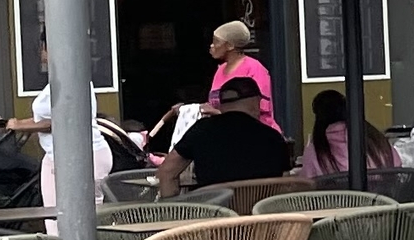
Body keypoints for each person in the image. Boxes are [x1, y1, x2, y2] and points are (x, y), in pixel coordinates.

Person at [3, 46, 113, 211]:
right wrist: (16, 123)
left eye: (43, 48)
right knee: (54, 214)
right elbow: (45, 118)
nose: (40, 53)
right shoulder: (58, 81)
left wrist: (18, 125)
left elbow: (61, 123)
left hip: (84, 154)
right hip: (55, 156)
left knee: (86, 216)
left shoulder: (72, 80)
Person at [158, 76, 291, 195]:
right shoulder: (273, 137)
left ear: (221, 105)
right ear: (255, 101)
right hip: (263, 219)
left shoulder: (201, 130)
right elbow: (285, 186)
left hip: (214, 216)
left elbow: (166, 172)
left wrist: (172, 212)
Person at [306, 89, 397, 178]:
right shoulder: (376, 139)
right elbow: (397, 166)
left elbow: (306, 183)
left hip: (338, 193)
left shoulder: (316, 150)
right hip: (380, 193)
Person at [207, 21, 276, 128]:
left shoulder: (255, 69)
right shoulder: (220, 71)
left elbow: (255, 110)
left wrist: (218, 113)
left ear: (230, 46)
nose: (212, 46)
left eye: (216, 42)